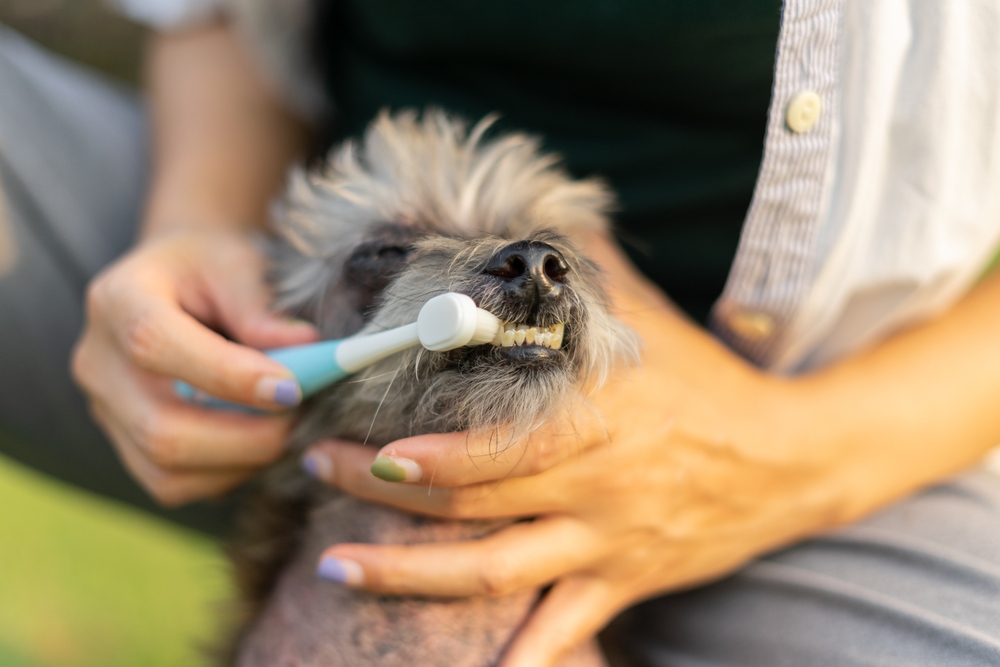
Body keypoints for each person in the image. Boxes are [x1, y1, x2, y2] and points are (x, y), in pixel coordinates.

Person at [2, 2, 1000, 666]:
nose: (522, 271)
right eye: (399, 257)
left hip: (871, 428)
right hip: (285, 337)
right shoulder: (300, 320)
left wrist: (789, 454)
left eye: (545, 258)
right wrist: (197, 220)